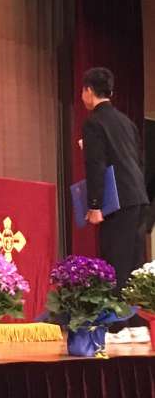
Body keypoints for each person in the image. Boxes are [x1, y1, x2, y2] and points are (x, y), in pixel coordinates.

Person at [81, 67, 150, 344]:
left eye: (83, 90)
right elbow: (136, 160)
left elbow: (96, 165)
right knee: (135, 262)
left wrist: (94, 205)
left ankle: (117, 326)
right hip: (138, 197)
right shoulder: (126, 122)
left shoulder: (94, 123)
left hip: (117, 201)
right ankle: (138, 324)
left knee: (115, 261)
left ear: (89, 91)